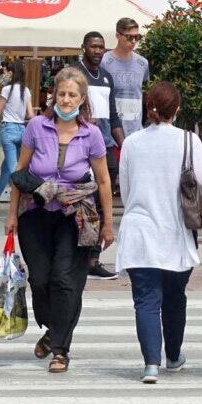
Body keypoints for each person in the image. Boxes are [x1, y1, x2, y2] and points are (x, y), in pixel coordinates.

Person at [5, 67, 114, 373]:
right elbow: (19, 174)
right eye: (62, 94)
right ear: (53, 95)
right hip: (35, 214)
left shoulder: (90, 133)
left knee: (66, 281)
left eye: (73, 95)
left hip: (74, 216)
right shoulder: (37, 126)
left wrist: (108, 223)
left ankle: (60, 349)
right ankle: (53, 329)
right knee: (40, 279)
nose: (66, 101)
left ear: (82, 99)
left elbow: (104, 181)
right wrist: (11, 214)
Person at [115, 82, 202, 383]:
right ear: (177, 109)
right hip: (177, 229)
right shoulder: (189, 141)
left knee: (145, 299)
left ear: (148, 106)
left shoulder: (131, 142)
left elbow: (126, 190)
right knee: (174, 295)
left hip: (140, 229)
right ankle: (173, 355)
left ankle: (150, 364)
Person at [75, 31, 125, 280]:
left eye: (101, 47)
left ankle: (93, 259)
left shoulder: (106, 77)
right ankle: (79, 256)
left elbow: (113, 116)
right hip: (81, 147)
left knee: (103, 205)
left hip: (105, 147)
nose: (97, 51)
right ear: (83, 47)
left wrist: (124, 147)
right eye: (93, 46)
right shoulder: (75, 74)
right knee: (84, 204)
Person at [0, 60, 34, 211]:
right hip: (22, 131)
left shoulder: (7, 89)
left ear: (11, 73)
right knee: (6, 169)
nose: (3, 74)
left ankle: (24, 202)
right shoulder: (26, 90)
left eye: (5, 72)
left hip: (9, 130)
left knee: (13, 171)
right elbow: (30, 114)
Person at [103, 17, 149, 135]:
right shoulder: (104, 61)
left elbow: (144, 93)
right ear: (118, 36)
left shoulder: (143, 63)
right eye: (129, 37)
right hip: (111, 131)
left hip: (136, 131)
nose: (133, 41)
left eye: (137, 37)